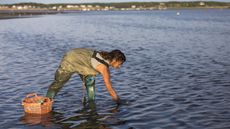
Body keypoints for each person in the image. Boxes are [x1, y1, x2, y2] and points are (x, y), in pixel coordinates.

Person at [46, 48, 126, 104]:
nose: (119, 67)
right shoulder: (104, 68)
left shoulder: (104, 55)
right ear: (115, 60)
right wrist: (118, 101)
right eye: (120, 64)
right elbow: (109, 88)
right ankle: (47, 101)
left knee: (90, 81)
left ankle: (91, 104)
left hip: (80, 59)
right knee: (58, 83)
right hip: (70, 59)